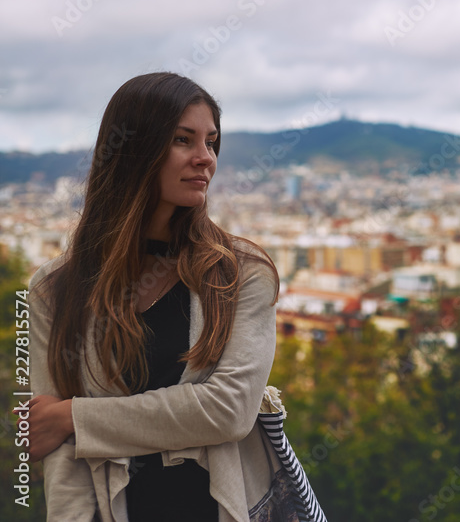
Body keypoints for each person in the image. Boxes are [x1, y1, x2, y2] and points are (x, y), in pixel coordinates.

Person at [22, 72, 282, 522]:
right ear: (133, 150)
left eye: (211, 142)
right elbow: (59, 453)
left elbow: (229, 410)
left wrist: (75, 418)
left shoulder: (241, 275)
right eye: (184, 140)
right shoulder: (53, 290)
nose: (206, 159)